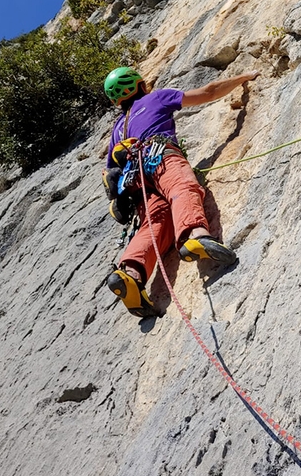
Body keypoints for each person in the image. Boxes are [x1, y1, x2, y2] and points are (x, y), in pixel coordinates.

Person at [103, 66, 260, 318]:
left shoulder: (118, 128)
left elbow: (111, 170)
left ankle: (130, 273)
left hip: (136, 182)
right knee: (182, 187)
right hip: (158, 155)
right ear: (139, 85)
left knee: (154, 223)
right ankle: (195, 235)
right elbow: (207, 92)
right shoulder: (156, 97)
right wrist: (243, 77)